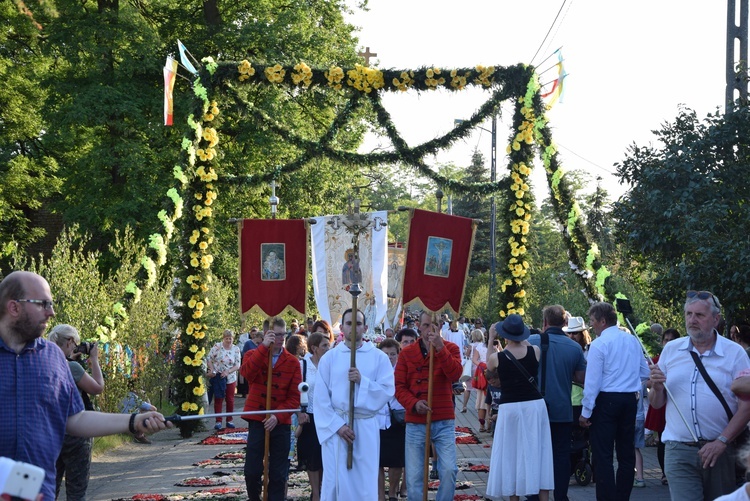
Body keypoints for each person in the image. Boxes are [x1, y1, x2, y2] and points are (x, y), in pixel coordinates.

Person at [0, 271, 171, 501]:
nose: (51, 312)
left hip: (37, 493)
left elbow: (76, 419)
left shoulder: (53, 357)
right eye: (42, 304)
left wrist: (133, 421)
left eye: (51, 304)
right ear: (14, 307)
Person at [649, 291, 750, 500]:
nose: (692, 320)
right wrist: (656, 388)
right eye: (688, 314)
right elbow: (657, 404)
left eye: (699, 315)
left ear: (716, 319)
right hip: (678, 449)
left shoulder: (735, 353)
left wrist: (722, 441)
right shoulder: (671, 350)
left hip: (720, 450)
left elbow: (746, 407)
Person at [313, 308, 394, 499]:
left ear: (365, 327)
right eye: (349, 323)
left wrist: (362, 382)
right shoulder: (329, 359)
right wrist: (338, 426)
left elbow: (387, 391)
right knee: (335, 483)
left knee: (364, 483)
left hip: (365, 429)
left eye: (358, 323)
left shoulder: (379, 358)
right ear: (341, 328)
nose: (353, 328)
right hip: (337, 430)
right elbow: (320, 400)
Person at [579, 301, 649, 501]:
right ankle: (622, 497)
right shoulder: (632, 341)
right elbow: (644, 372)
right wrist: (628, 379)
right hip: (629, 400)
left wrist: (586, 412)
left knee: (603, 455)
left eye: (592, 321)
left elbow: (593, 382)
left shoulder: (600, 344)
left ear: (602, 321)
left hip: (607, 400)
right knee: (626, 454)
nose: (591, 325)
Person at [395, 312, 463, 501]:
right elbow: (399, 387)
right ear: (418, 325)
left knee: (449, 470)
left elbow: (455, 374)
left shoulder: (451, 348)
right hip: (416, 421)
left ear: (441, 325)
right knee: (415, 476)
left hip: (443, 420)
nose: (429, 331)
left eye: (434, 326)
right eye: (425, 326)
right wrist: (414, 403)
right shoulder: (407, 353)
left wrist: (440, 348)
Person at [485, 315, 553, 501]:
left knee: (510, 454)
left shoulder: (497, 357)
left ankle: (514, 498)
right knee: (539, 451)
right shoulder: (536, 351)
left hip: (510, 408)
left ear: (505, 335)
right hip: (534, 406)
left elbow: (488, 369)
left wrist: (491, 339)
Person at [527, 306, 586, 501]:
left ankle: (533, 495)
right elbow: (581, 378)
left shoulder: (530, 342)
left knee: (534, 455)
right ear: (565, 324)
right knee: (561, 455)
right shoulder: (574, 347)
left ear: (544, 322)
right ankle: (561, 495)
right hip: (562, 411)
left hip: (535, 410)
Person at [241, 317, 302, 501]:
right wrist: (263, 349)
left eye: (283, 335)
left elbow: (294, 397)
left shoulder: (292, 362)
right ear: (267, 334)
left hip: (280, 422)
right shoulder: (253, 354)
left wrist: (277, 415)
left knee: (278, 473)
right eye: (276, 335)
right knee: (252, 471)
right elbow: (247, 374)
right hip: (257, 419)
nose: (281, 338)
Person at [48, 324, 104, 501]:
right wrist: (94, 359)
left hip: (50, 434)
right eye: (75, 343)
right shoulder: (72, 368)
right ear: (70, 341)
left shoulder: (43, 362)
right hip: (76, 434)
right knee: (76, 492)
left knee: (49, 489)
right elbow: (97, 388)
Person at [296, 330, 331, 501]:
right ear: (314, 348)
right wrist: (299, 412)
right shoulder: (303, 365)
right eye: (324, 345)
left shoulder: (330, 363)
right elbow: (296, 389)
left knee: (324, 454)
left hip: (327, 415)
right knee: (312, 456)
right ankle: (315, 494)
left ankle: (323, 491)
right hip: (309, 416)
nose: (328, 347)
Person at [643, 326, 681, 485]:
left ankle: (677, 471)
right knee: (662, 439)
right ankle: (665, 473)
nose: (668, 343)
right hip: (661, 401)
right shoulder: (656, 360)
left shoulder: (683, 358)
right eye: (666, 340)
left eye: (672, 340)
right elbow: (647, 381)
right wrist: (655, 381)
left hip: (677, 402)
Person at [378, 338, 406, 501]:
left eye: (392, 354)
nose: (389, 357)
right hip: (377, 420)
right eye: (385, 354)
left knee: (396, 461)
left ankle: (393, 491)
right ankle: (380, 494)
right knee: (378, 461)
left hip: (396, 419)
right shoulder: (374, 370)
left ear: (398, 355)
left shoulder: (402, 371)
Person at [207, 329, 242, 430]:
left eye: (230, 338)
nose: (228, 340)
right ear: (223, 339)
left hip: (230, 377)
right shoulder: (217, 346)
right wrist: (212, 369)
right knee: (218, 398)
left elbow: (237, 365)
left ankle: (229, 420)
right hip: (218, 376)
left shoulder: (236, 349)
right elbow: (209, 358)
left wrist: (228, 371)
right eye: (226, 338)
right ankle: (218, 421)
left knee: (230, 399)